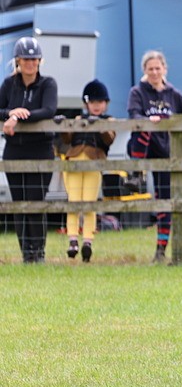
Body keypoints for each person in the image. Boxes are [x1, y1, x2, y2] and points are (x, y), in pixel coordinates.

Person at [128, 50, 182, 263]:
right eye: (150, 69)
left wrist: (175, 132)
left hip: (166, 152)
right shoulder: (137, 92)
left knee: (165, 201)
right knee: (143, 128)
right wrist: (150, 121)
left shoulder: (174, 94)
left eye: (158, 68)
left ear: (164, 69)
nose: (155, 72)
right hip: (143, 146)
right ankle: (136, 174)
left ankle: (161, 249)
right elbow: (134, 115)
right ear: (144, 71)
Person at [0, 37, 58, 263]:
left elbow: (49, 110)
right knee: (19, 204)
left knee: (36, 202)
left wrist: (21, 115)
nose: (30, 63)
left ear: (40, 61)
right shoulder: (8, 84)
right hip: (15, 150)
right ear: (18, 60)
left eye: (34, 59)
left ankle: (39, 252)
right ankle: (26, 252)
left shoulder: (48, 84)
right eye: (26, 59)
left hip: (41, 150)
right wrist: (9, 114)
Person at [61, 80, 116, 262]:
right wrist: (64, 125)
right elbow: (67, 138)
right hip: (74, 161)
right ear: (87, 104)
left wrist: (98, 126)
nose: (97, 106)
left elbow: (109, 140)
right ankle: (72, 239)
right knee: (74, 202)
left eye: (100, 102)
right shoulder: (79, 119)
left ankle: (88, 241)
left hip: (94, 163)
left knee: (90, 203)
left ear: (106, 104)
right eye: (93, 102)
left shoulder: (109, 121)